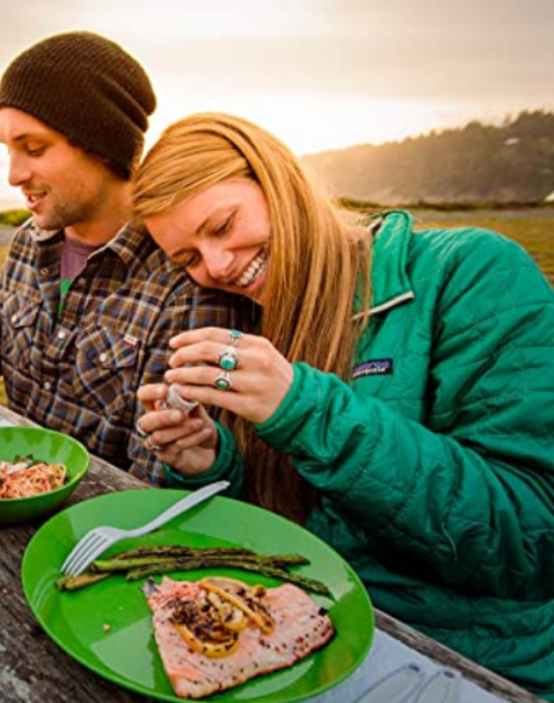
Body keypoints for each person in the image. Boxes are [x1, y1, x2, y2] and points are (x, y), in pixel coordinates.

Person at [131, 112, 554, 699]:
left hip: (465, 662)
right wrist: (214, 462)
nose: (218, 266)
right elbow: (296, 519)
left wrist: (308, 410)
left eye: (222, 225)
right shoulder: (266, 319)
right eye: (190, 258)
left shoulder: (470, 272)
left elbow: (532, 536)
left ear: (276, 178)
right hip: (306, 638)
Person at [0, 33, 248, 481]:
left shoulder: (184, 277)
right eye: (7, 150)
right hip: (0, 486)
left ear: (103, 142)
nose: (13, 174)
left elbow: (157, 478)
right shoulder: (31, 239)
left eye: (34, 148)